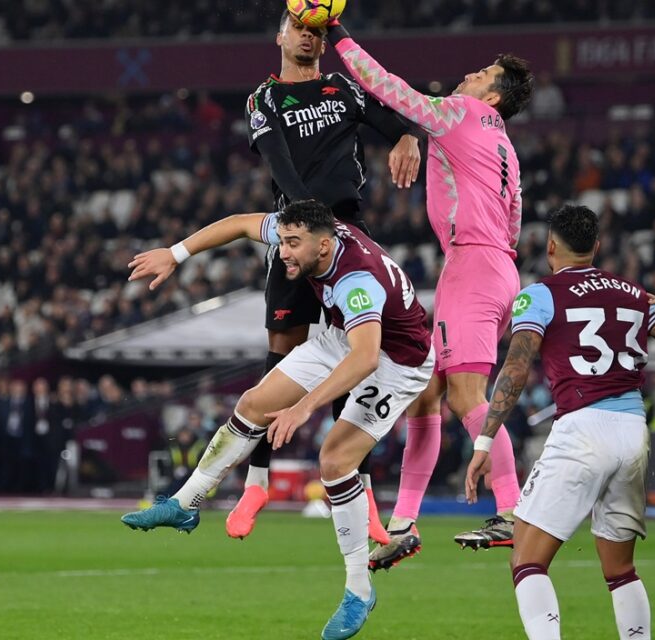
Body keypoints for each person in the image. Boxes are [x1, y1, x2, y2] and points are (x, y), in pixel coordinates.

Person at [120, 200, 434, 639]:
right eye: (282, 240)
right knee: (252, 404)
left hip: (396, 362)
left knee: (334, 460)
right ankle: (185, 504)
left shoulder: (356, 282)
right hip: (347, 337)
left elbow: (365, 359)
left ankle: (359, 590)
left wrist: (304, 407)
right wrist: (175, 254)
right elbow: (237, 224)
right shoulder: (314, 235)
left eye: (292, 244)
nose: (283, 252)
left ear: (323, 246)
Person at [462, 205, 655, 639]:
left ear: (550, 246)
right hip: (632, 434)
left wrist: (485, 442)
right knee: (620, 569)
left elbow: (515, 367)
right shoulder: (632, 291)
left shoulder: (540, 294)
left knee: (527, 561)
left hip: (583, 429)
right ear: (597, 246)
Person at [324, 16, 537, 565]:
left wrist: (338, 35)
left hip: (470, 267)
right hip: (493, 268)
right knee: (426, 396)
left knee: (467, 398)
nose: (470, 72)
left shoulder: (461, 112)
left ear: (494, 93)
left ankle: (513, 510)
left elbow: (388, 87)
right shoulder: (506, 148)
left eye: (483, 71)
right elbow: (513, 220)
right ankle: (404, 523)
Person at [229, 9, 422, 544]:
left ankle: (359, 490)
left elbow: (392, 118)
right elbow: (278, 165)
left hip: (347, 239)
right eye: (301, 29)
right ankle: (257, 481)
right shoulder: (264, 100)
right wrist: (308, 222)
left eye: (317, 31)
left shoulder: (343, 88)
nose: (309, 37)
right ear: (281, 36)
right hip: (298, 235)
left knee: (350, 358)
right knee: (280, 353)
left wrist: (407, 137)